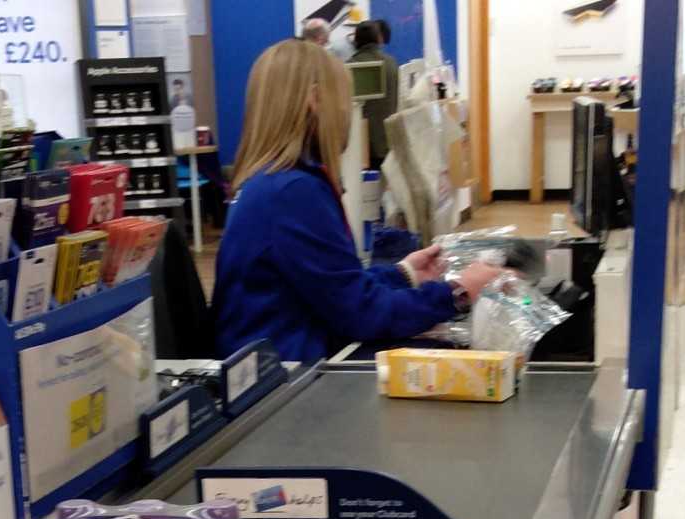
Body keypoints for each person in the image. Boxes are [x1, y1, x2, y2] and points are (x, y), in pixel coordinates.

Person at [212, 39, 503, 364]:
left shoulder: (271, 183)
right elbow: (362, 313)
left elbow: (335, 286)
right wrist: (458, 294)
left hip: (278, 359)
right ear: (314, 100)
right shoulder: (293, 192)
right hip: (291, 374)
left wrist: (405, 274)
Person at [349, 21, 400, 168]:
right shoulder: (391, 63)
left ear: (356, 40)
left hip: (361, 146)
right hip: (387, 141)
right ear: (379, 39)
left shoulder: (350, 66)